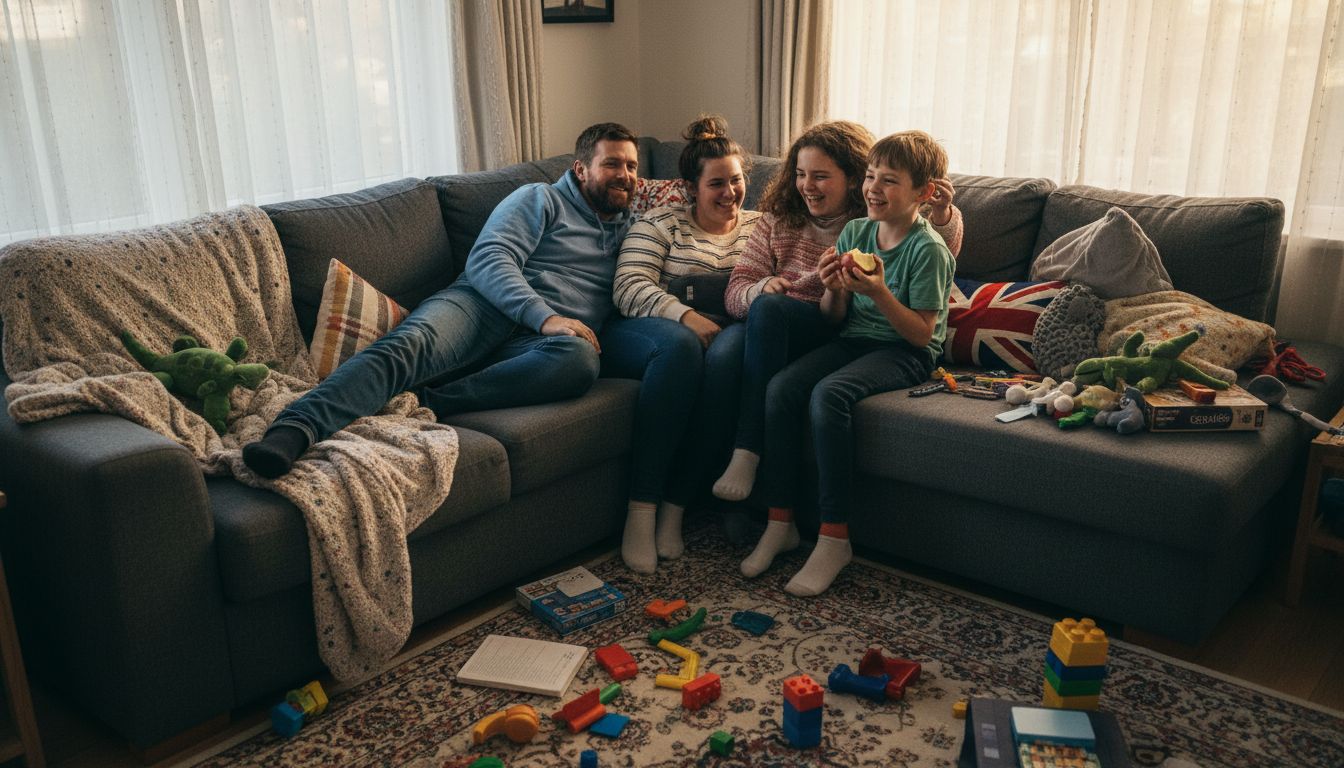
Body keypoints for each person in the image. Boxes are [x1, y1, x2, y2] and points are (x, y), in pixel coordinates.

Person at [242, 123, 641, 478]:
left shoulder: (634, 230)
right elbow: (489, 259)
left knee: (580, 361)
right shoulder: (539, 198)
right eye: (612, 164)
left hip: (536, 346)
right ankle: (294, 429)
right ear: (581, 169)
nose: (624, 175)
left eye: (632, 166)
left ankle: (425, 402)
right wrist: (545, 316)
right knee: (407, 346)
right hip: (481, 305)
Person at [740, 130, 957, 596]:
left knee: (828, 394)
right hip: (853, 339)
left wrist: (879, 291)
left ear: (924, 192)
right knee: (781, 387)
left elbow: (921, 334)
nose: (874, 189)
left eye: (890, 181)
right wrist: (834, 288)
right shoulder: (856, 232)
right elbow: (833, 317)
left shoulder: (928, 249)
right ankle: (781, 521)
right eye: (872, 177)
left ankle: (834, 536)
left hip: (906, 353)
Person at [604, 115, 762, 573]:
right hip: (644, 332)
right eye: (717, 183)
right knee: (680, 348)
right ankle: (642, 511)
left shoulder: (760, 229)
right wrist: (687, 316)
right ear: (690, 187)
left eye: (736, 181)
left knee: (727, 361)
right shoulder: (660, 224)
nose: (729, 193)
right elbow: (629, 287)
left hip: (723, 341)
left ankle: (674, 509)